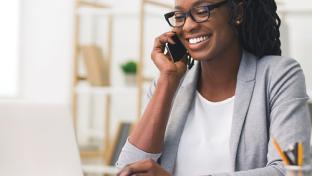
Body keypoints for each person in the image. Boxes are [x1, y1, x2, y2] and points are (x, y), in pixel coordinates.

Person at [116, 0, 311, 175]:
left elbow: (290, 170)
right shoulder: (168, 85)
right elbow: (129, 169)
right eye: (179, 16)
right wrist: (167, 80)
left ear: (237, 13)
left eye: (201, 11)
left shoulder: (279, 75)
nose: (189, 26)